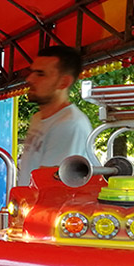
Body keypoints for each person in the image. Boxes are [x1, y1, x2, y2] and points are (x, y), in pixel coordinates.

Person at [17, 45, 99, 186]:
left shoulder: (69, 124)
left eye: (40, 74)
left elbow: (49, 185)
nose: (30, 79)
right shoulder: (38, 118)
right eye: (31, 72)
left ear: (63, 82)